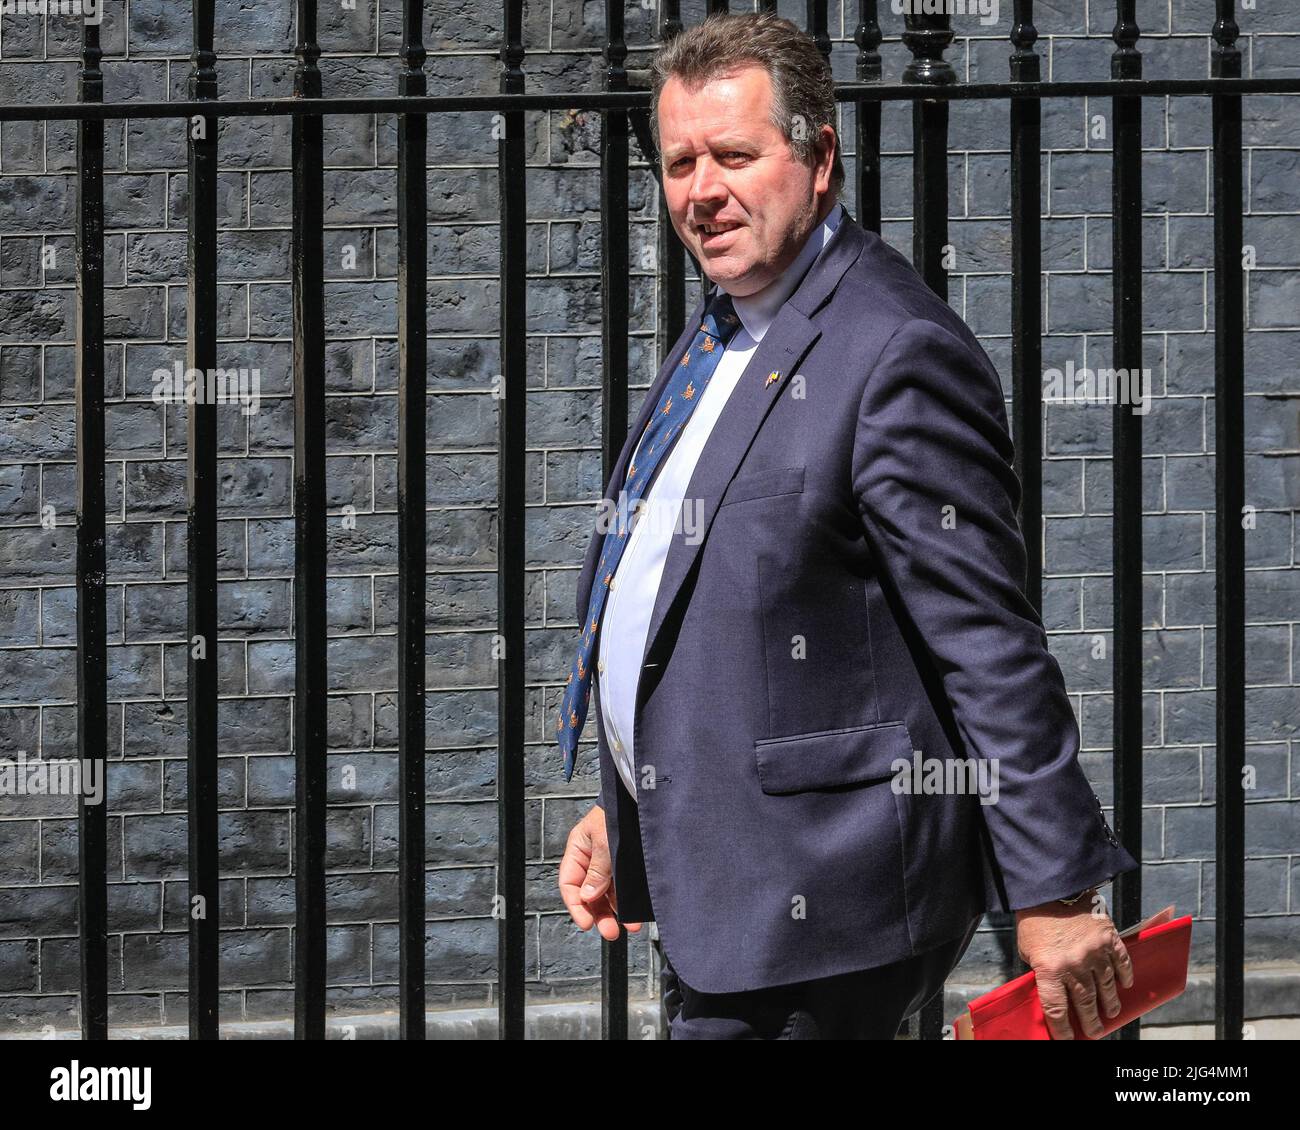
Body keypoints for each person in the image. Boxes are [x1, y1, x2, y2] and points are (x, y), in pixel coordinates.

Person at [555, 11, 1139, 1040]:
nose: (701, 191)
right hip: (728, 884)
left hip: (821, 907)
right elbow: (688, 598)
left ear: (819, 158)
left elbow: (986, 643)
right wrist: (642, 799)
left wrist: (1053, 892)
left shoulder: (892, 349)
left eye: (734, 155)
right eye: (680, 160)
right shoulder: (723, 325)